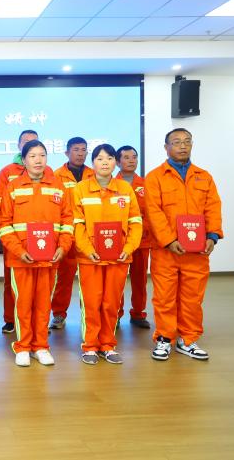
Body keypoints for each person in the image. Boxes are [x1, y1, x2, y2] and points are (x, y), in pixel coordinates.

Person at [145, 128, 222, 361]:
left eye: (187, 142)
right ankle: (164, 338)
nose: (182, 146)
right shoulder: (155, 177)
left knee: (192, 297)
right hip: (166, 250)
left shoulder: (204, 176)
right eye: (177, 142)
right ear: (166, 147)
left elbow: (213, 207)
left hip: (197, 251)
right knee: (165, 297)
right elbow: (153, 212)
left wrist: (212, 236)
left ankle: (188, 339)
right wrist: (169, 240)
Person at [0, 140, 73, 367]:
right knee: (23, 303)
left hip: (50, 259)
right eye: (32, 156)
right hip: (21, 259)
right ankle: (23, 346)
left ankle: (41, 346)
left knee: (43, 304)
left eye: (42, 155)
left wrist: (62, 247)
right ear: (24, 160)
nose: (38, 160)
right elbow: (4, 223)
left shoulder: (58, 186)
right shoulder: (13, 187)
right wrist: (18, 250)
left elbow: (68, 221)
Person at [72, 144, 142, 365]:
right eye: (100, 158)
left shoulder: (125, 189)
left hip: (118, 257)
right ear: (92, 163)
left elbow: (135, 222)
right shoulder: (81, 189)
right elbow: (77, 224)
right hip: (90, 258)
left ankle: (108, 345)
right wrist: (88, 249)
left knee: (111, 303)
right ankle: (90, 346)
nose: (105, 162)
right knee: (91, 302)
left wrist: (128, 248)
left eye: (110, 158)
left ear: (115, 162)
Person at [0, 129, 45, 334]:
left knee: (41, 288)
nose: (30, 145)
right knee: (12, 282)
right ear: (19, 147)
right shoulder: (8, 172)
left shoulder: (49, 174)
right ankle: (11, 318)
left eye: (35, 143)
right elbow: (1, 205)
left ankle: (38, 325)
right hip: (16, 240)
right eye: (26, 143)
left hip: (43, 241)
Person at [50, 136, 93, 330]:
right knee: (64, 279)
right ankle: (59, 314)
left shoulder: (93, 174)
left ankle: (90, 314)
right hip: (67, 234)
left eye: (83, 150)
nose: (80, 153)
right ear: (67, 152)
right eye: (76, 149)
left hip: (89, 235)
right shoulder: (57, 175)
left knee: (90, 279)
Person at [115, 145, 152, 329]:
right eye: (126, 157)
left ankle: (138, 313)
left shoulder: (146, 184)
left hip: (141, 241)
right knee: (117, 281)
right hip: (118, 241)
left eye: (134, 157)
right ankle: (116, 314)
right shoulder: (111, 184)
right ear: (117, 162)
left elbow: (151, 213)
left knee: (140, 280)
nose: (131, 160)